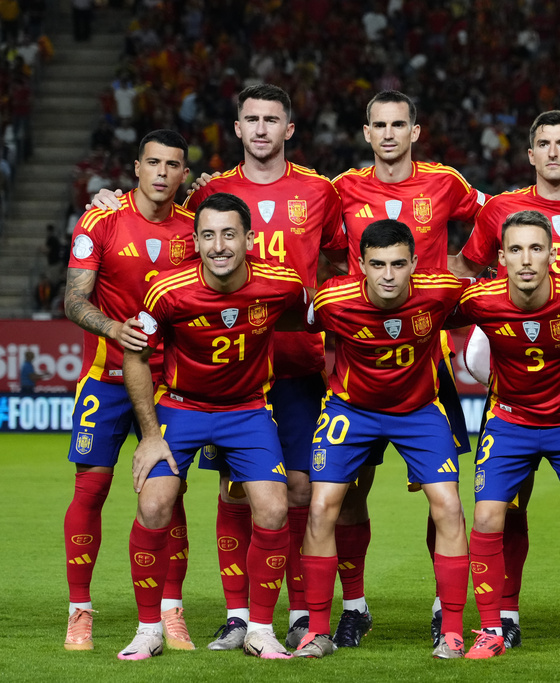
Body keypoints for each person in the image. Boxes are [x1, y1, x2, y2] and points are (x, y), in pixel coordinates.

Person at [330, 92, 560, 648]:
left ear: (415, 130)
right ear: (366, 133)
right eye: (379, 125)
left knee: (448, 494)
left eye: (398, 124)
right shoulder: (338, 188)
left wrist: (441, 295)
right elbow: (314, 242)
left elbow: (493, 219)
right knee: (346, 492)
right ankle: (354, 606)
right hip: (361, 356)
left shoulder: (448, 183)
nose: (389, 134)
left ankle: (447, 602)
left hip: (433, 363)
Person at [448, 110, 560, 650]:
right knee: (503, 508)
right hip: (515, 370)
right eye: (542, 143)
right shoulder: (502, 209)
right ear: (530, 154)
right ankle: (500, 617)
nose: (552, 153)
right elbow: (463, 271)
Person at [181, 84, 346, 650]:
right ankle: (237, 616)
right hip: (229, 372)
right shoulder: (213, 192)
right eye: (249, 119)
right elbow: (164, 230)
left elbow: (344, 260)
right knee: (235, 492)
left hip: (297, 365)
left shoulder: (320, 191)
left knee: (297, 490)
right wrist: (108, 197)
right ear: (236, 128)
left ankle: (300, 612)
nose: (260, 129)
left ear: (289, 129)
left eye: (271, 119)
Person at [118, 192, 306, 661]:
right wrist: (150, 434)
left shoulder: (281, 284)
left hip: (247, 411)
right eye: (207, 235)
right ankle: (148, 630)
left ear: (249, 239)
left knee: (274, 509)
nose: (218, 245)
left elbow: (316, 317)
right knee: (156, 504)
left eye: (228, 234)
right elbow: (134, 356)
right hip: (182, 410)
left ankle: (259, 630)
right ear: (195, 240)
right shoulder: (167, 289)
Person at [293, 219, 469, 660]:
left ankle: (450, 630)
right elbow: (287, 321)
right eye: (377, 265)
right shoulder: (334, 298)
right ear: (361, 266)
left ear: (414, 263)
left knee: (448, 504)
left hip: (419, 410)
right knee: (320, 507)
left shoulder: (443, 291)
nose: (388, 275)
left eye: (397, 264)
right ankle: (317, 631)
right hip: (350, 410)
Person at [62, 130, 196, 652]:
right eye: (154, 162)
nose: (163, 172)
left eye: (174, 165)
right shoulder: (102, 218)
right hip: (106, 378)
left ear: (185, 176)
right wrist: (112, 329)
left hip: (171, 384)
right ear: (136, 167)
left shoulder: (195, 229)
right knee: (91, 489)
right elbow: (74, 301)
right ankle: (80, 612)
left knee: (170, 493)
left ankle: (171, 612)